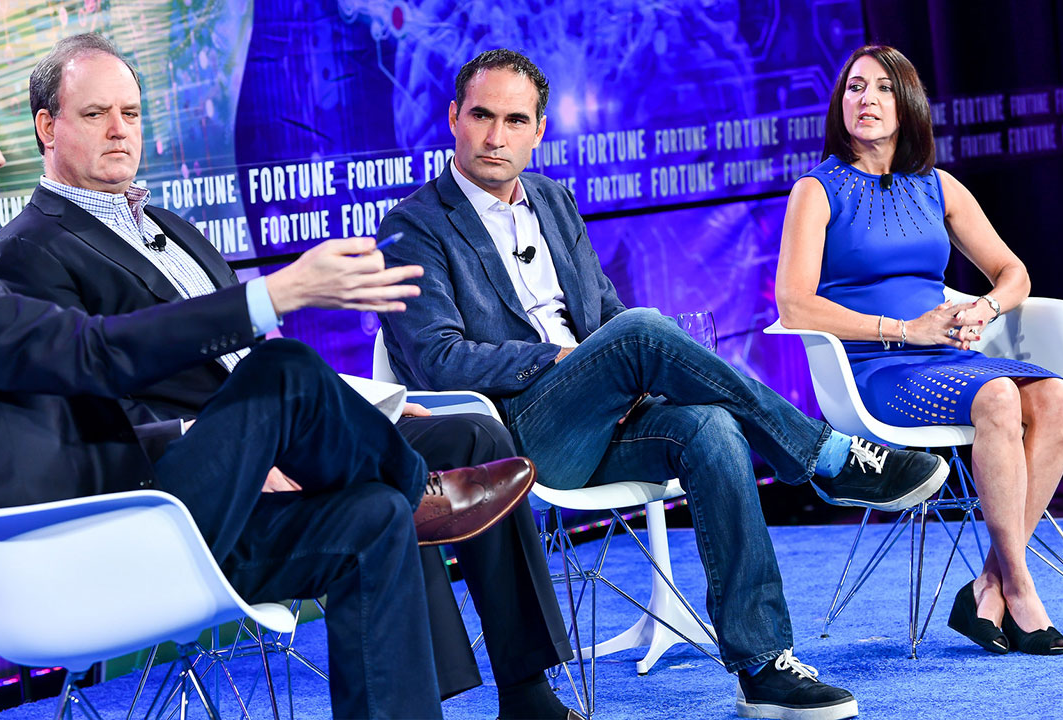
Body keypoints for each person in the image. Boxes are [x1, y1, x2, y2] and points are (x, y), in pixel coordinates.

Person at [0, 55, 539, 719]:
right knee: (282, 373)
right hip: (93, 546)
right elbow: (95, 355)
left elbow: (60, 419)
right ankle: (420, 488)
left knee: (372, 519)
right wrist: (276, 294)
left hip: (124, 515)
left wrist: (200, 435)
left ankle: (408, 499)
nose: (0, 154)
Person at [377, 48, 955, 720]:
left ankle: (762, 664)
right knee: (644, 331)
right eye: (480, 116)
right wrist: (563, 361)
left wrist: (624, 367)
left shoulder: (554, 202)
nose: (495, 137)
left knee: (708, 426)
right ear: (453, 117)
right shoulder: (414, 227)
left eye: (514, 120)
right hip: (519, 436)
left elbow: (605, 315)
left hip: (607, 417)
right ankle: (826, 456)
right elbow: (437, 361)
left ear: (539, 131)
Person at [775, 44, 1063, 656]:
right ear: (840, 103)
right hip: (874, 366)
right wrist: (907, 330)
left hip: (947, 356)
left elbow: (1012, 273)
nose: (867, 100)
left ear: (907, 103)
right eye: (855, 87)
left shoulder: (937, 187)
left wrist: (981, 309)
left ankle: (987, 587)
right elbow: (794, 305)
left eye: (883, 88)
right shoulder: (817, 189)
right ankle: (1019, 588)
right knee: (996, 397)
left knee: (1057, 397)